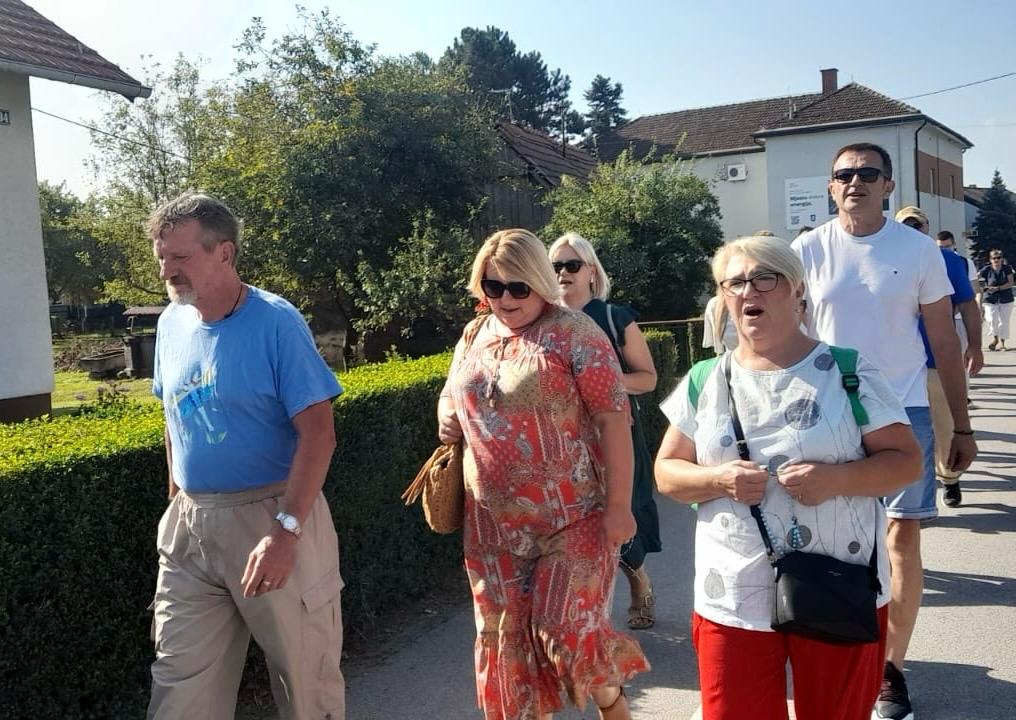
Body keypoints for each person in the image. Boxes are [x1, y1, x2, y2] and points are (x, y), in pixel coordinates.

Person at [655, 234, 922, 720]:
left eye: (764, 278)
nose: (748, 292)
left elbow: (906, 461)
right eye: (734, 283)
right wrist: (718, 480)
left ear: (797, 289)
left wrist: (836, 480)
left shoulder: (848, 370)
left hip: (838, 583)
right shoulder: (705, 379)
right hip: (731, 591)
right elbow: (667, 472)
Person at [793, 143, 977, 720]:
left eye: (867, 173)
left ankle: (890, 670)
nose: (855, 181)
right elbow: (788, 333)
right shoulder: (808, 249)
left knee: (900, 540)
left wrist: (962, 425)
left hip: (902, 411)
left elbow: (943, 339)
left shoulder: (918, 251)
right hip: (828, 412)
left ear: (888, 185)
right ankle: (838, 650)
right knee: (830, 538)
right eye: (844, 174)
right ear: (831, 187)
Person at [147, 193, 345, 720]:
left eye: (180, 256)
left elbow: (319, 434)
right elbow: (173, 418)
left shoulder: (276, 322)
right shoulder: (171, 323)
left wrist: (286, 531)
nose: (166, 270)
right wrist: (176, 500)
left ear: (224, 253)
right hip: (191, 527)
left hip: (272, 518)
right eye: (161, 256)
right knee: (178, 688)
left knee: (306, 685)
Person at [437, 229, 649, 720]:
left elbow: (613, 418)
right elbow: (451, 393)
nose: (505, 299)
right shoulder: (474, 334)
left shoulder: (575, 333)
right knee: (505, 641)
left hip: (573, 518)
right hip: (492, 527)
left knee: (564, 628)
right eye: (493, 287)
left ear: (540, 282)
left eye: (518, 287)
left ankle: (611, 699)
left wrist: (620, 507)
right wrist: (445, 414)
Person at [548, 232, 661, 631]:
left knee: (620, 513)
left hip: (612, 434)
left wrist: (603, 381)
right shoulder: (542, 321)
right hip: (562, 440)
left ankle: (638, 580)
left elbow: (647, 378)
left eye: (572, 265)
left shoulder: (614, 317)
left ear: (591, 272)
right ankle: (585, 615)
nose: (563, 273)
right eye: (555, 266)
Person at [896, 209, 982, 508]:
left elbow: (968, 304)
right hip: (898, 363)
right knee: (902, 430)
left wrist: (975, 345)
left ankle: (950, 478)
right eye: (905, 225)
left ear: (927, 227)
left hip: (936, 359)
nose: (912, 229)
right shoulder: (886, 256)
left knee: (944, 425)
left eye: (917, 224)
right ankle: (909, 492)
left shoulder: (946, 259)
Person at [978, 249, 1014, 351]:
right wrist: (982, 287)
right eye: (994, 258)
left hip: (1006, 298)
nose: (996, 260)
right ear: (990, 259)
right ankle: (995, 339)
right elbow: (975, 277)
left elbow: (1011, 283)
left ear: (1002, 259)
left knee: (1003, 322)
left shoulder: (1007, 268)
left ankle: (1002, 343)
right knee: (991, 319)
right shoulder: (987, 269)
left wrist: (998, 288)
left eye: (998, 258)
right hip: (990, 298)